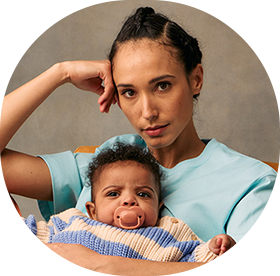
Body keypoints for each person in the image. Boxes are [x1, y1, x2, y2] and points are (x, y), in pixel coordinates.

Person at [0, 6, 279, 276]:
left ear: (196, 79)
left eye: (162, 86)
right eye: (129, 92)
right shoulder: (108, 163)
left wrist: (101, 267)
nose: (148, 112)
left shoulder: (250, 181)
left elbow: (259, 273)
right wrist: (60, 73)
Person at [0, 143, 240, 273]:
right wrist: (5, 224)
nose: (128, 201)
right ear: (92, 210)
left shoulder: (169, 232)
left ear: (159, 206)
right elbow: (35, 240)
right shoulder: (74, 221)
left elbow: (194, 260)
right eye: (114, 193)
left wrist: (216, 248)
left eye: (143, 194)